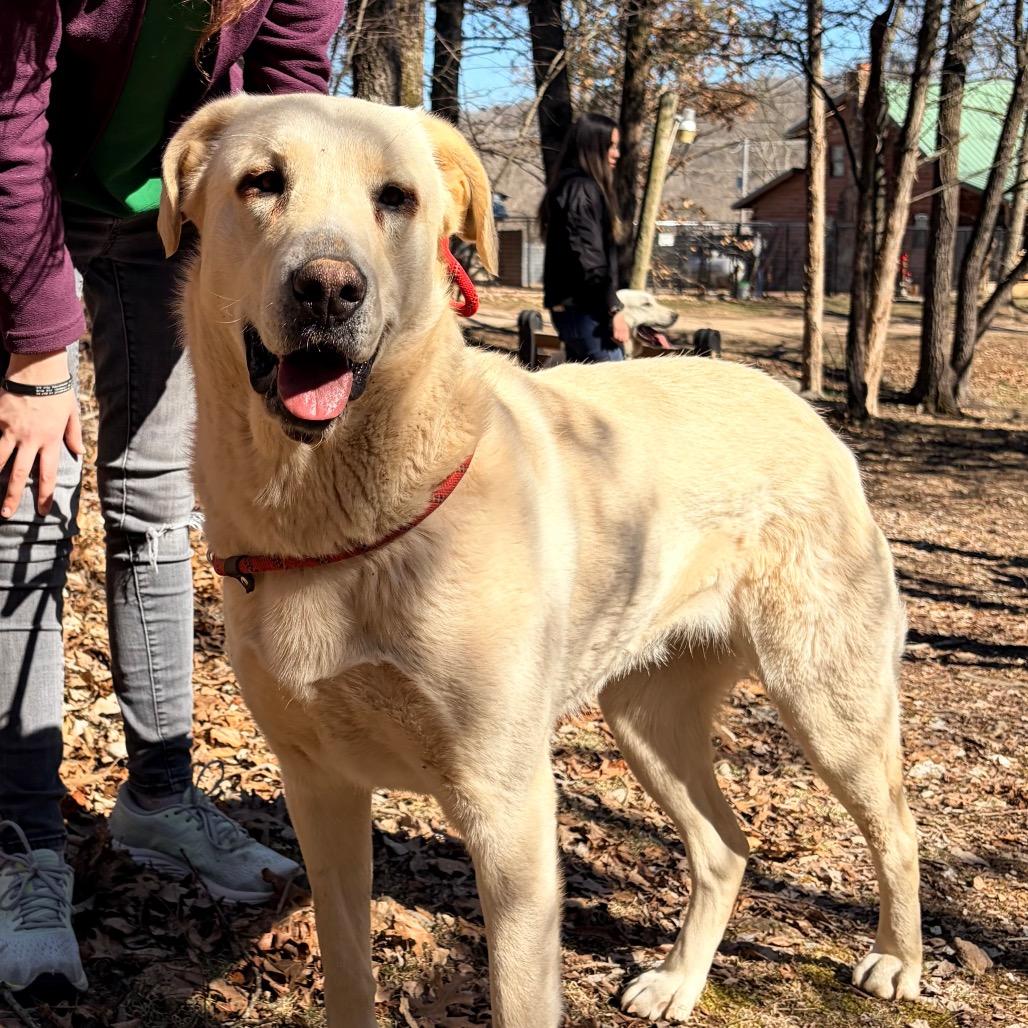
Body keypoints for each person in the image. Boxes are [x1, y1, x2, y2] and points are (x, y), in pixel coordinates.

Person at [0, 0, 344, 993]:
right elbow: (11, 115)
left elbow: (289, 95)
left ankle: (158, 794)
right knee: (26, 504)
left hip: (160, 218)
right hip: (22, 208)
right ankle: (24, 843)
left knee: (157, 503)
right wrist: (33, 352)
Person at [539, 113, 630, 363]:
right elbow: (588, 257)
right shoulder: (582, 190)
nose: (617, 154)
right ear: (593, 147)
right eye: (611, 146)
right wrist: (614, 309)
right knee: (617, 392)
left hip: (575, 312)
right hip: (588, 314)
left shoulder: (567, 186)